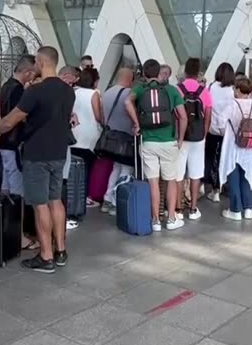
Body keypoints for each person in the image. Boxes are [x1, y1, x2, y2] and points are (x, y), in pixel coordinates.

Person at [0, 46, 74, 273]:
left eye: (35, 62)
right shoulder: (68, 91)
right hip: (59, 152)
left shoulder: (35, 91)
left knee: (40, 204)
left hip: (37, 154)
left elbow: (11, 121)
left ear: (41, 62)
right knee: (56, 200)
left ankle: (45, 256)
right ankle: (61, 250)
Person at [125, 59, 188, 231]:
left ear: (144, 73)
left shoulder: (139, 89)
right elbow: (183, 116)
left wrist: (137, 123)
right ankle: (172, 218)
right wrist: (180, 138)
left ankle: (155, 220)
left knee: (153, 182)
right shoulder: (171, 90)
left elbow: (127, 102)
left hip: (148, 142)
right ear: (159, 72)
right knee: (171, 181)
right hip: (169, 141)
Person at [218, 76, 252, 219]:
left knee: (233, 176)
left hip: (233, 145)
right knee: (247, 176)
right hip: (251, 147)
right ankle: (248, 208)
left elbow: (220, 122)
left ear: (237, 89)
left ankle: (235, 210)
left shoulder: (232, 104)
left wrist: (226, 133)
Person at [176, 58, 211, 220]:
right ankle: (193, 208)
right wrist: (203, 133)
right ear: (198, 73)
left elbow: (173, 113)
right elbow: (208, 115)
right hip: (198, 137)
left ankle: (177, 208)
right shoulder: (204, 91)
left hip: (180, 137)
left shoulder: (177, 89)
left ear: (184, 72)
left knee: (178, 174)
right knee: (195, 174)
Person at [0, 55, 36, 196]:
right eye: (33, 73)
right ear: (26, 72)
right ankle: (16, 215)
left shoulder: (5, 86)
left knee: (6, 180)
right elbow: (19, 116)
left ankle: (5, 214)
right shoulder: (19, 91)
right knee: (16, 182)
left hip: (5, 139)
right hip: (15, 140)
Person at [99, 65, 135, 216]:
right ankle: (115, 202)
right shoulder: (129, 94)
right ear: (129, 79)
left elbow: (102, 116)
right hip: (126, 139)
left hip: (111, 139)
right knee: (126, 170)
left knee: (116, 169)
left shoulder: (107, 93)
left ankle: (107, 199)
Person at [70, 67, 102, 208]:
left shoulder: (73, 92)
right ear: (94, 81)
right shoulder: (93, 94)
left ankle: (73, 196)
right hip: (89, 135)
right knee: (87, 168)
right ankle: (85, 197)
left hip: (74, 133)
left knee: (73, 168)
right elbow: (98, 116)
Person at [204, 63, 235, 204]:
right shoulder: (231, 91)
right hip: (226, 130)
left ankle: (204, 184)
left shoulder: (211, 87)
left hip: (211, 127)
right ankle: (217, 189)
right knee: (222, 158)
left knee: (208, 157)